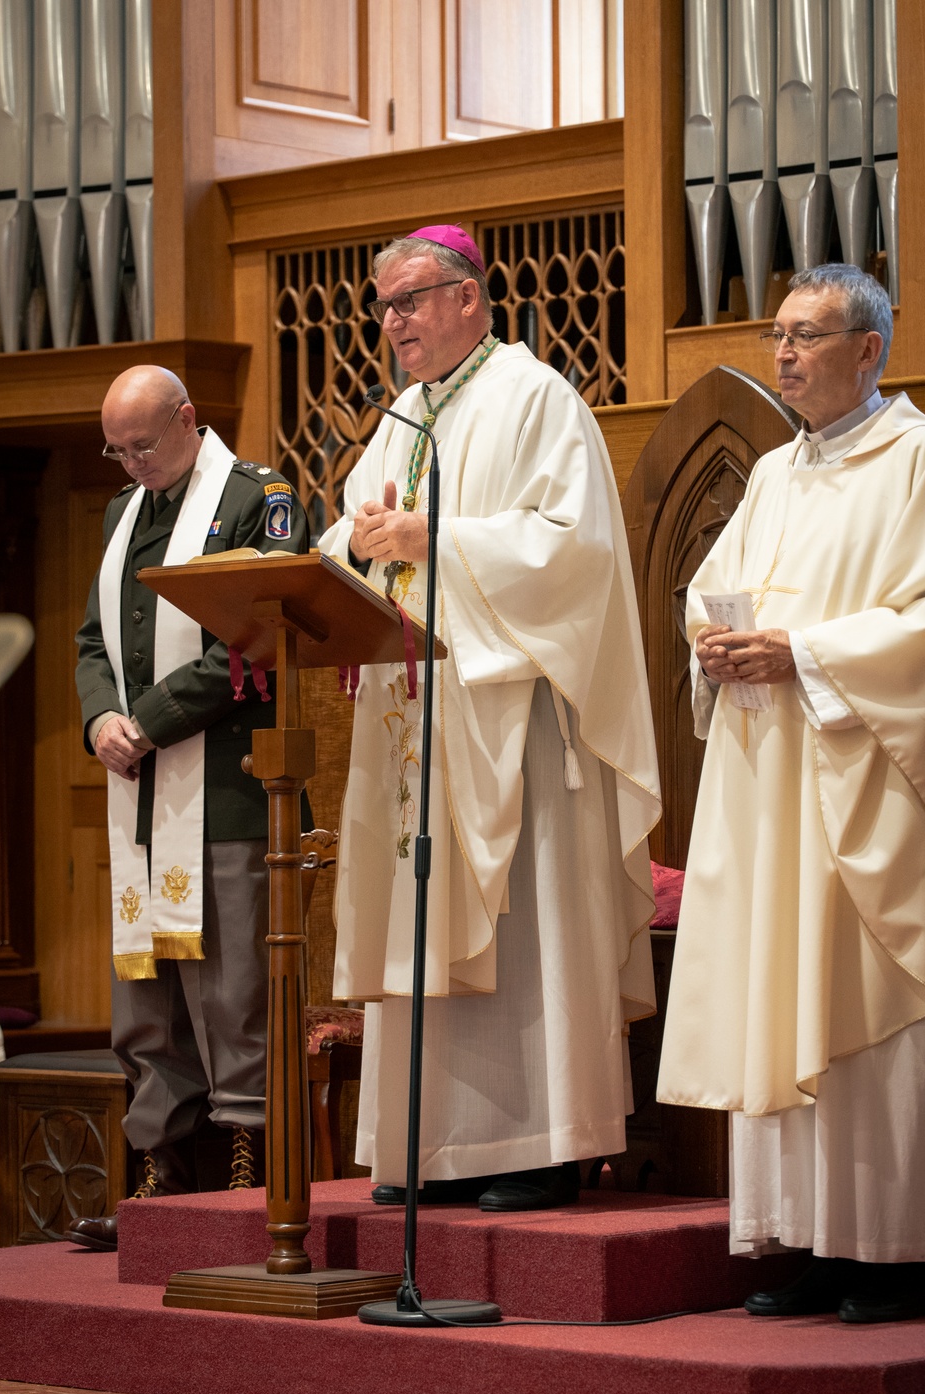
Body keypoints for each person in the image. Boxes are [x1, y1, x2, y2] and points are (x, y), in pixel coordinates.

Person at [656, 263, 925, 1321]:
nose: (784, 354)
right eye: (779, 335)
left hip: (871, 782)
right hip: (779, 784)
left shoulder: (922, 462)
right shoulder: (778, 474)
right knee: (788, 995)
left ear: (869, 350)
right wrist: (715, 640)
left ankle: (894, 1251)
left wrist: (803, 652)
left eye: (805, 335)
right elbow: (717, 585)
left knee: (869, 1004)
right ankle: (810, 1240)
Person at [318, 225, 660, 1210]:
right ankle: (423, 1148)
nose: (392, 323)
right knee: (416, 920)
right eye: (383, 306)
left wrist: (431, 537)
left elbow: (574, 550)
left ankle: (541, 1145)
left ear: (469, 297)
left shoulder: (536, 398)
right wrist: (360, 550)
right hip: (416, 713)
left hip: (515, 715)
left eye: (410, 300)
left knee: (524, 925)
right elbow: (353, 528)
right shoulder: (400, 417)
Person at [67, 365, 310, 1250]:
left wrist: (151, 720)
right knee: (147, 994)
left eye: (144, 445)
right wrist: (101, 717)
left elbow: (259, 636)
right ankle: (160, 1179)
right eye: (117, 450)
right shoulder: (119, 515)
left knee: (233, 990)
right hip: (139, 789)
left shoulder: (257, 500)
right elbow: (96, 637)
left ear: (188, 419)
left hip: (231, 787)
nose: (131, 464)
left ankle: (248, 1173)